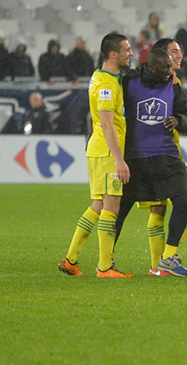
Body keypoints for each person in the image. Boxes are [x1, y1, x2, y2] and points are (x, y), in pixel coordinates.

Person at [113, 48, 187, 277]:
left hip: (166, 155)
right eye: (165, 68)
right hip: (135, 158)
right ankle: (106, 259)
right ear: (151, 67)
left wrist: (178, 119)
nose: (170, 72)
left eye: (171, 67)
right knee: (119, 210)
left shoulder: (173, 85)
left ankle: (168, 257)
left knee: (184, 199)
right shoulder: (130, 81)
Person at [57, 33, 134, 278]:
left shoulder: (105, 76)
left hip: (100, 150)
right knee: (112, 205)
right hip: (106, 151)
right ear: (114, 54)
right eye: (127, 50)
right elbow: (107, 124)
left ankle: (70, 260)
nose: (131, 54)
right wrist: (119, 159)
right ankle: (104, 267)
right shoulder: (106, 85)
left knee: (99, 206)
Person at [136, 37, 187, 276]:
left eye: (180, 50)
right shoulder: (139, 82)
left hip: (170, 151)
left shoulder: (175, 83)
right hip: (147, 153)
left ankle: (165, 257)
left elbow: (183, 114)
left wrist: (183, 120)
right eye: (174, 51)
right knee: (159, 207)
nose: (179, 55)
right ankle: (160, 264)